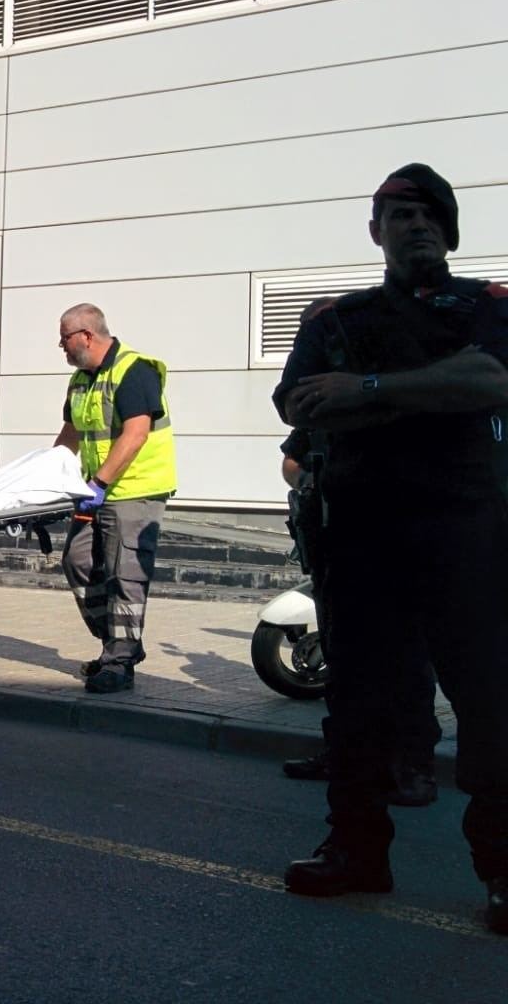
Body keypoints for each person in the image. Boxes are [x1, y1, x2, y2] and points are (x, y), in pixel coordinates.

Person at [275, 163, 508, 933]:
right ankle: (356, 850)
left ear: (450, 232)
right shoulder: (335, 317)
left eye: (430, 216)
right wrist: (429, 393)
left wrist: (367, 393)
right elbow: (305, 404)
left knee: (490, 702)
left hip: (464, 531)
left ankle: (503, 873)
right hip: (365, 533)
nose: (416, 225)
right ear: (375, 231)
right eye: (399, 215)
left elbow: (490, 380)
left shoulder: (488, 306)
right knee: (358, 707)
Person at [278, 426, 440, 806]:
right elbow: (292, 458)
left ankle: (414, 769)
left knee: (407, 664)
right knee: (344, 665)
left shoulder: (405, 397)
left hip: (401, 544)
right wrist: (309, 482)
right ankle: (345, 757)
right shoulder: (330, 404)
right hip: (336, 545)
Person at [53, 304, 177, 694]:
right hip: (97, 492)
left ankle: (120, 662)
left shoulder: (134, 370)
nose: (61, 346)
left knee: (125, 575)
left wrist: (101, 482)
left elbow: (136, 433)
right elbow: (70, 435)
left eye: (65, 338)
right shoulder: (81, 380)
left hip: (134, 490)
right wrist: (46, 477)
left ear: (87, 335)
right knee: (76, 560)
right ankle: (118, 644)